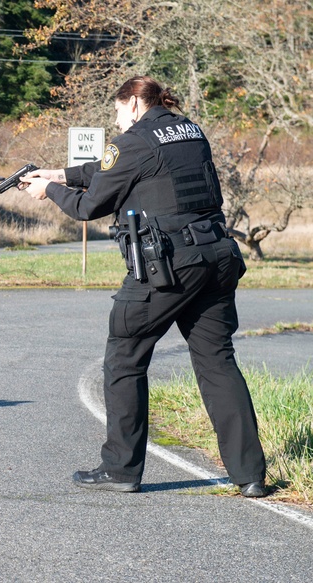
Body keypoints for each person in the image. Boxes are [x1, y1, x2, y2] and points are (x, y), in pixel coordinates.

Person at [21, 76, 268, 497]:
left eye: (117, 111)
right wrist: (61, 172)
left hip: (169, 266)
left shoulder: (132, 140)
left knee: (124, 357)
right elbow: (120, 172)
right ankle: (249, 475)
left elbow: (89, 205)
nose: (116, 120)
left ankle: (120, 469)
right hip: (216, 257)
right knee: (216, 361)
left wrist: (51, 190)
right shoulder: (189, 130)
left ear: (134, 103)